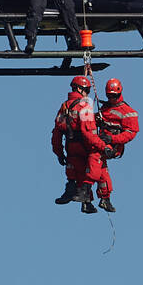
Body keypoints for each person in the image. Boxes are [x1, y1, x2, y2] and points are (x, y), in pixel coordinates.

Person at [51, 75, 111, 214]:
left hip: (71, 148)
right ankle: (86, 193)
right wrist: (104, 147)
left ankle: (77, 195)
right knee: (97, 166)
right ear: (81, 89)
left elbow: (57, 133)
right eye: (87, 90)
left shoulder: (64, 107)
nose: (87, 93)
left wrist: (59, 153)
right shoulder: (85, 106)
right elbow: (88, 133)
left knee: (75, 173)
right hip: (85, 147)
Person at [93, 78, 139, 213]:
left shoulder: (128, 112)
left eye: (114, 96)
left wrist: (112, 139)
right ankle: (98, 199)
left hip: (112, 146)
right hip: (99, 142)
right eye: (109, 96)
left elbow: (130, 134)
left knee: (99, 165)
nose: (112, 99)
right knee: (94, 167)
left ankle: (104, 197)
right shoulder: (105, 108)